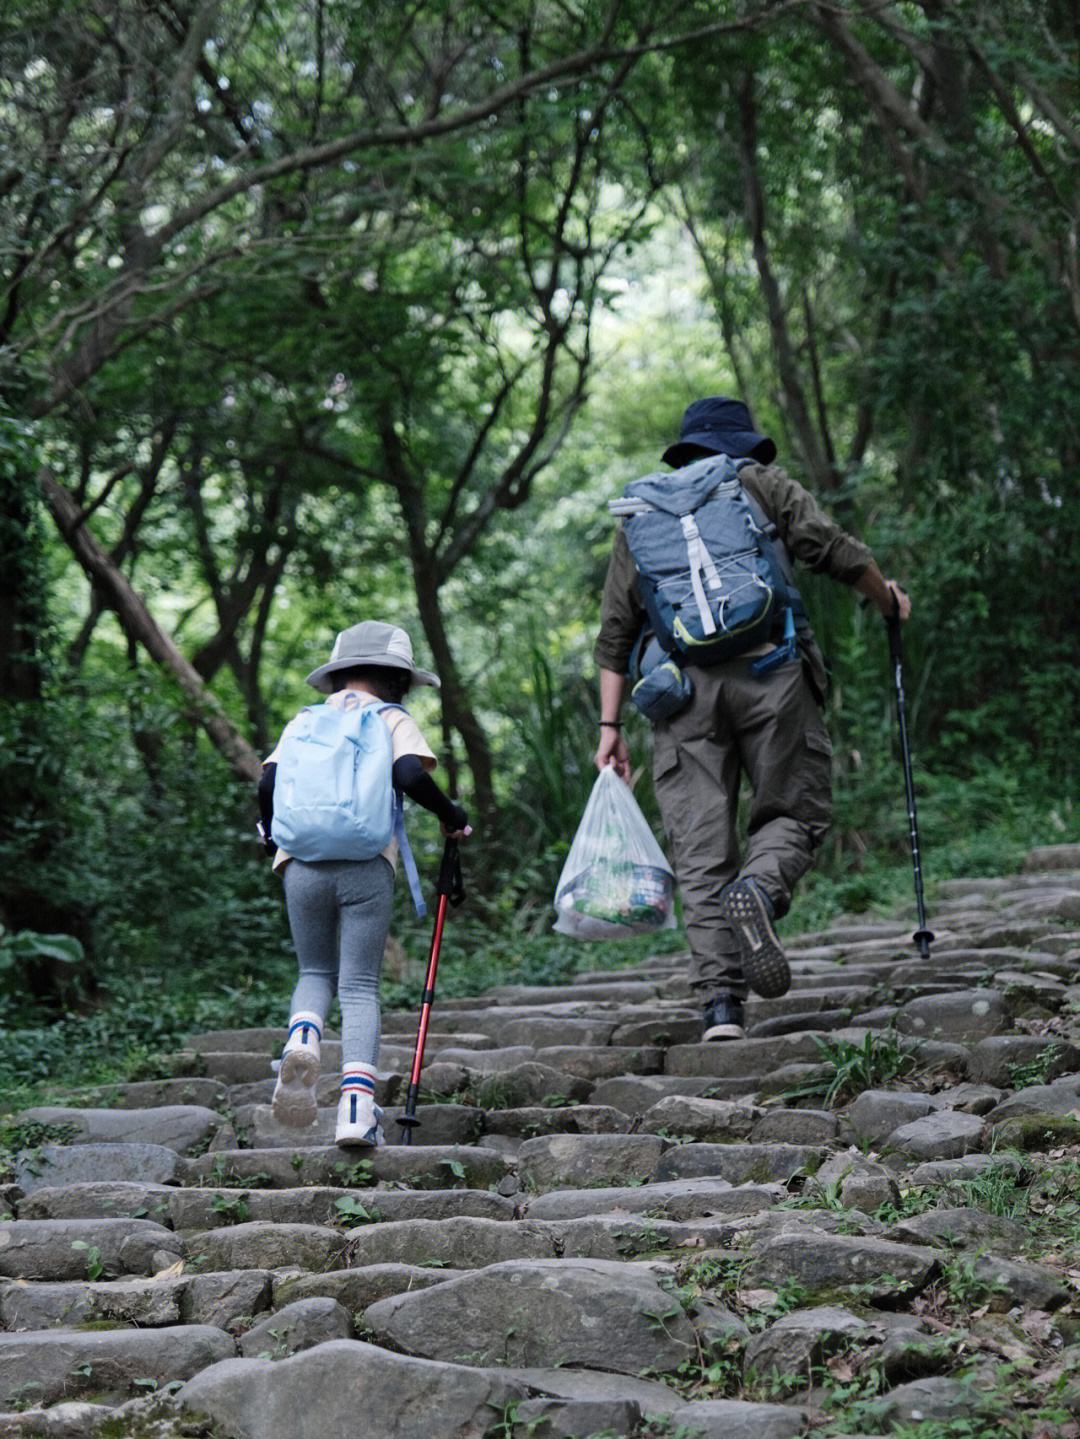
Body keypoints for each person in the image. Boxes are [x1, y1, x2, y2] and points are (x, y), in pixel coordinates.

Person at [593, 396, 910, 1042]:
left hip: (680, 694)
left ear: (684, 451)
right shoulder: (757, 482)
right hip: (772, 674)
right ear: (739, 445)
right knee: (797, 811)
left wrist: (609, 730)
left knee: (702, 850)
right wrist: (888, 600)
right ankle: (761, 889)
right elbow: (832, 549)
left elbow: (614, 633)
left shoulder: (639, 513)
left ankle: (721, 1009)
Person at [258, 621, 469, 1146]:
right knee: (357, 986)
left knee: (314, 970)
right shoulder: (391, 717)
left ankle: (301, 1037)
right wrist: (451, 813)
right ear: (396, 678)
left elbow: (268, 782)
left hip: (300, 862)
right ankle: (356, 1111)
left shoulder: (304, 721)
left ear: (339, 675)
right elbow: (410, 776)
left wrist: (270, 841)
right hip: (366, 863)